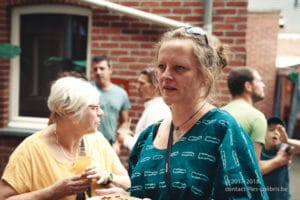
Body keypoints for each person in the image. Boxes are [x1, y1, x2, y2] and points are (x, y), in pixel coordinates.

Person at [95, 27, 268, 199]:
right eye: (161, 67)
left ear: (204, 76)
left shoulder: (223, 130)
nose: (165, 76)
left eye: (179, 68)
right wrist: (126, 195)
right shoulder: (147, 138)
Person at [0, 77, 130, 199]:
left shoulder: (97, 139)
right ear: (70, 112)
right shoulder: (30, 150)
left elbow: (128, 183)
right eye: (93, 108)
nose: (101, 113)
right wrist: (53, 192)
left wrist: (108, 176)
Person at [222, 67, 291, 175]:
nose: (263, 85)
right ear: (248, 86)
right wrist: (279, 161)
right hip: (235, 190)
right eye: (259, 81)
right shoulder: (256, 117)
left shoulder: (219, 113)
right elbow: (253, 169)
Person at [117, 67, 171, 151]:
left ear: (155, 86)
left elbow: (148, 149)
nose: (137, 87)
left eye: (142, 83)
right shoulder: (152, 107)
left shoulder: (157, 110)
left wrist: (125, 138)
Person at [91, 55, 131, 153]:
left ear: (110, 70)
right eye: (95, 69)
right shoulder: (87, 89)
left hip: (110, 145)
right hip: (90, 143)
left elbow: (125, 122)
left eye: (102, 68)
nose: (98, 72)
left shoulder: (121, 94)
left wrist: (117, 144)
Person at [261, 116, 300, 200]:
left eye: (280, 131)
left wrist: (287, 141)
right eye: (271, 130)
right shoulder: (259, 149)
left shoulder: (284, 149)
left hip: (281, 196)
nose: (275, 132)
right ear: (263, 133)